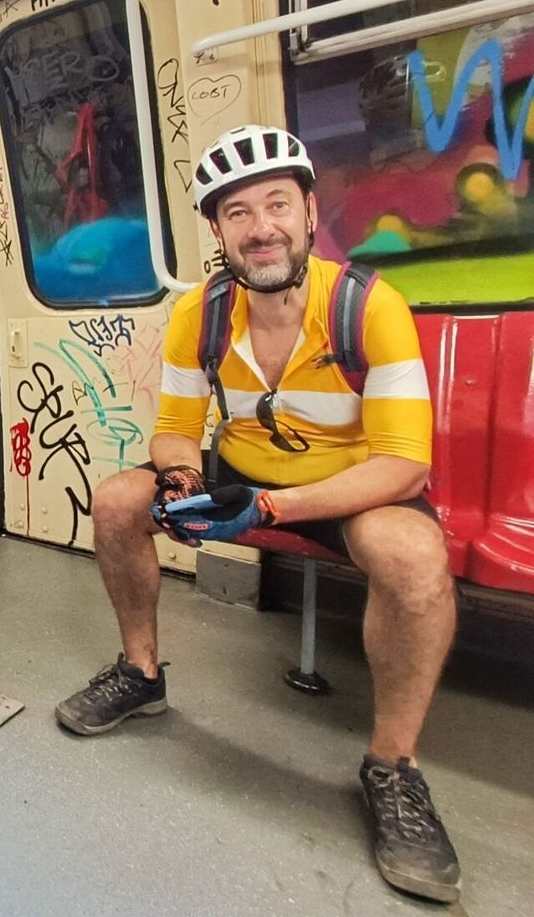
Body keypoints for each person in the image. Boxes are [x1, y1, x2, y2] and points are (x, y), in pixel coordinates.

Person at [54, 124, 461, 904]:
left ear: (309, 212)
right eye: (237, 213)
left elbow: (403, 464)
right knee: (118, 500)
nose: (260, 227)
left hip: (351, 482)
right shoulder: (200, 314)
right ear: (218, 232)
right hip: (241, 471)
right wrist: (181, 477)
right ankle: (141, 674)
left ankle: (393, 767)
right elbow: (176, 429)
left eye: (277, 204)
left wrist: (271, 507)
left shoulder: (368, 307)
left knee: (413, 559)